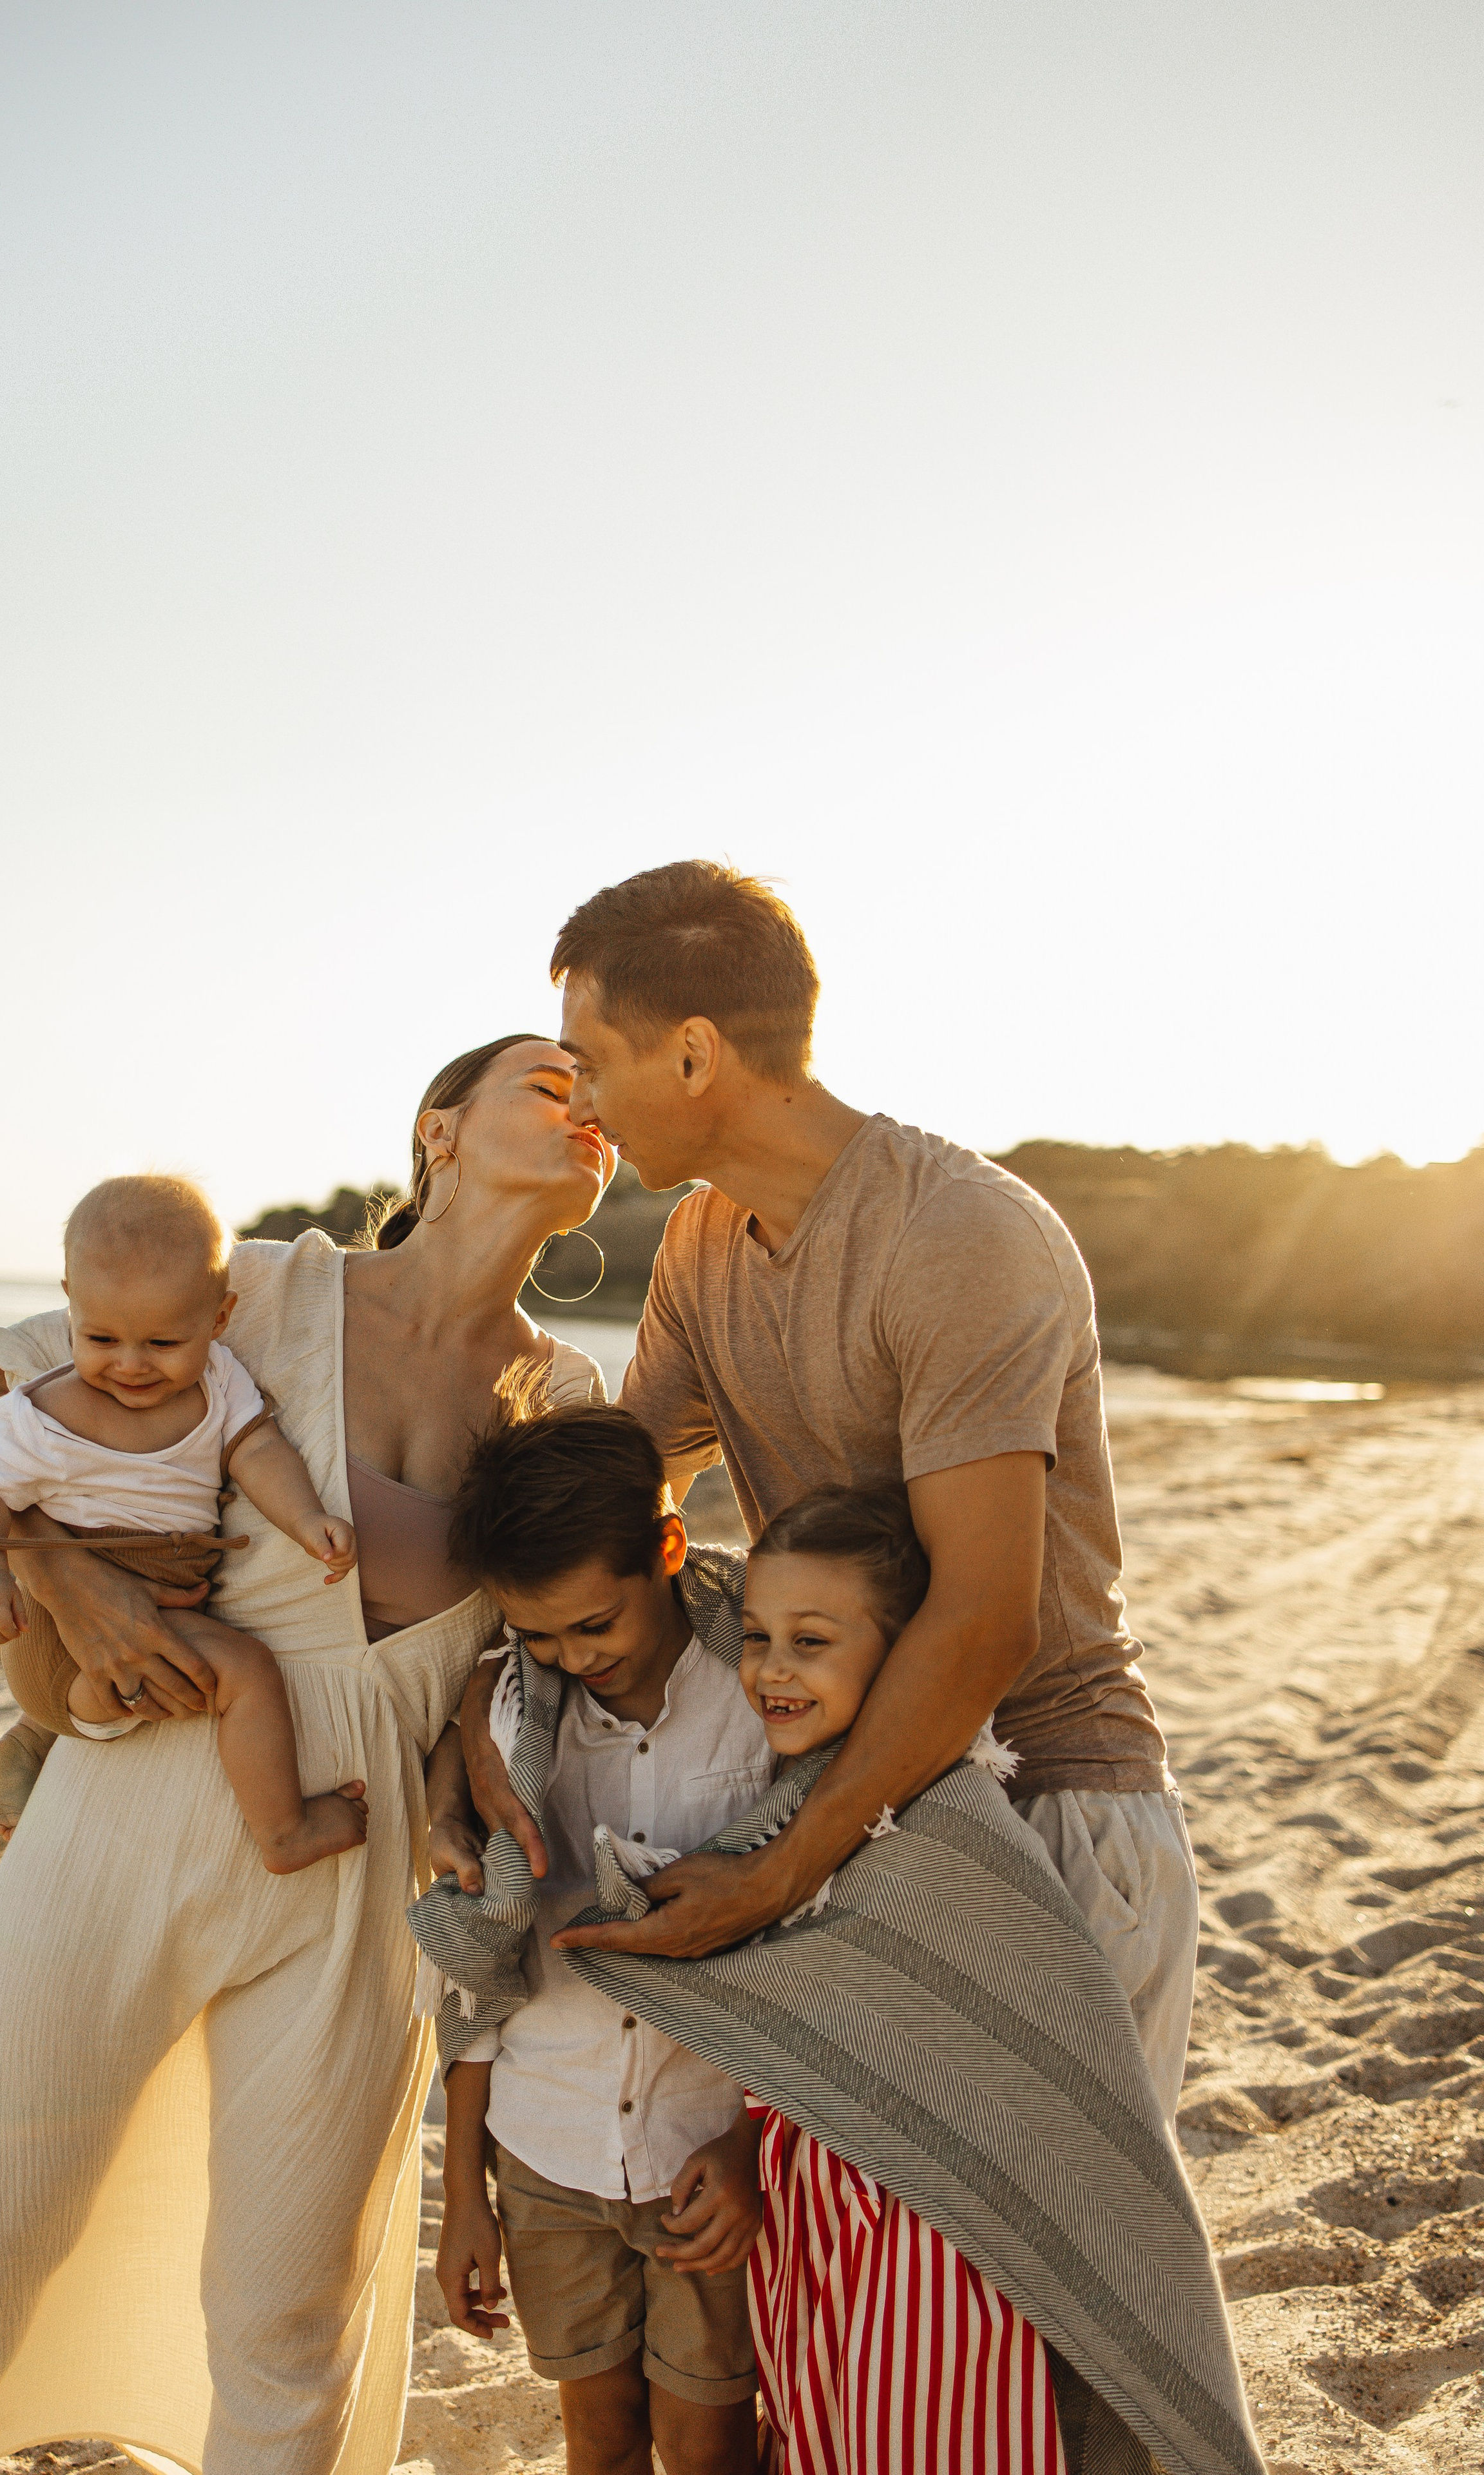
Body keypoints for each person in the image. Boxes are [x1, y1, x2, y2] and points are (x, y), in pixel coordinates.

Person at [0, 1036, 611, 2475]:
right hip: (132, 1800)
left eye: (603, 1102)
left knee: (290, 2310)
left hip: (355, 1849)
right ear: (436, 1132)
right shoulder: (263, 1287)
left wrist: (465, 1759)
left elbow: (516, 1644)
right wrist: (71, 1578)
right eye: (545, 1079)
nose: (587, 1112)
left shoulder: (560, 1391)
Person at [458, 861, 1198, 2119]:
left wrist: (772, 1877)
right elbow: (606, 1508)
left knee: (1043, 2304)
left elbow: (982, 1619)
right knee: (864, 2299)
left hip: (1046, 1810)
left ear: (693, 1056)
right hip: (866, 1823)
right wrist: (476, 1712)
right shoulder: (700, 1245)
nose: (578, 1095)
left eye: (590, 1058)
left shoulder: (954, 1236)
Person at [433, 1407, 770, 2475]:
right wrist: (463, 2202)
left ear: (668, 1549)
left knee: (708, 2438)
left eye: (594, 1625)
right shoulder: (516, 1731)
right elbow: (480, 1979)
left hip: (702, 2143)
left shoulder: (764, 1703)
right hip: (546, 2148)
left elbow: (815, 1953)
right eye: (536, 1638)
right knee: (601, 2438)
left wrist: (751, 2145)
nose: (573, 1658)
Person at [737, 1484, 1066, 2474]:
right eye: (755, 1636)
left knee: (914, 2438)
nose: (772, 1669)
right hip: (814, 2216)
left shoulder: (946, 1815)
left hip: (924, 2233)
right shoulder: (782, 1799)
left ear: (904, 1654)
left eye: (812, 1641)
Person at [0, 1173, 368, 1870]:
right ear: (70, 1309)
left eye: (164, 1342)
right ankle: (284, 1831)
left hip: (131, 1624)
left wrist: (306, 1518)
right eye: (102, 1337)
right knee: (248, 1671)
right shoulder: (44, 1412)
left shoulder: (220, 1382)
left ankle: (31, 1739)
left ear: (219, 1318)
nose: (131, 1365)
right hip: (61, 1634)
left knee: (209, 1666)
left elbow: (260, 1450)